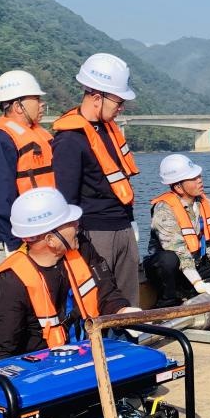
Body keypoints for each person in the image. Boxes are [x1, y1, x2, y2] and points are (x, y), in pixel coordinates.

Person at [0, 187, 137, 362]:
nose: (78, 225)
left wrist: (122, 309)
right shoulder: (12, 282)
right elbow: (0, 349)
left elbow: (106, 291)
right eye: (70, 223)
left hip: (90, 352)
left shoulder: (83, 248)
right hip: (46, 370)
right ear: (50, 240)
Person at [52, 53, 142, 306]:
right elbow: (65, 198)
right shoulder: (70, 140)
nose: (121, 107)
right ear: (96, 97)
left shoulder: (108, 131)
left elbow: (120, 181)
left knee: (129, 302)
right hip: (95, 233)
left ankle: (129, 340)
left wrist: (131, 223)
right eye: (118, 101)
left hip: (122, 226)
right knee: (101, 301)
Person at [0, 70, 54, 280]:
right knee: (10, 308)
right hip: (7, 242)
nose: (42, 104)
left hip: (36, 239)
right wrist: (16, 245)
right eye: (37, 99)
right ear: (18, 106)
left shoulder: (36, 134)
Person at [143, 154, 210, 308]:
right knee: (168, 259)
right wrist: (198, 283)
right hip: (170, 267)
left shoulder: (206, 203)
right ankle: (168, 301)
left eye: (198, 175)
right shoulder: (164, 209)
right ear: (178, 187)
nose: (199, 180)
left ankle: (193, 291)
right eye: (193, 178)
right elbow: (179, 251)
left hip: (194, 262)